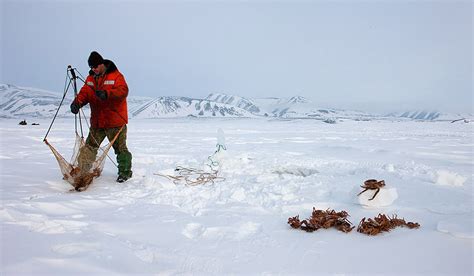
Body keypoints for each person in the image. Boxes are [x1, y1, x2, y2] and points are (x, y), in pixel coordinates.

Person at [70, 51, 133, 182]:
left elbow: (123, 91)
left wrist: (107, 94)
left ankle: (125, 173)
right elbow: (85, 93)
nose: (93, 69)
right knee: (89, 147)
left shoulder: (116, 76)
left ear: (102, 64)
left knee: (120, 148)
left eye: (95, 67)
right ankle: (82, 171)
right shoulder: (90, 78)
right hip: (98, 122)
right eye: (91, 68)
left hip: (115, 121)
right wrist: (77, 103)